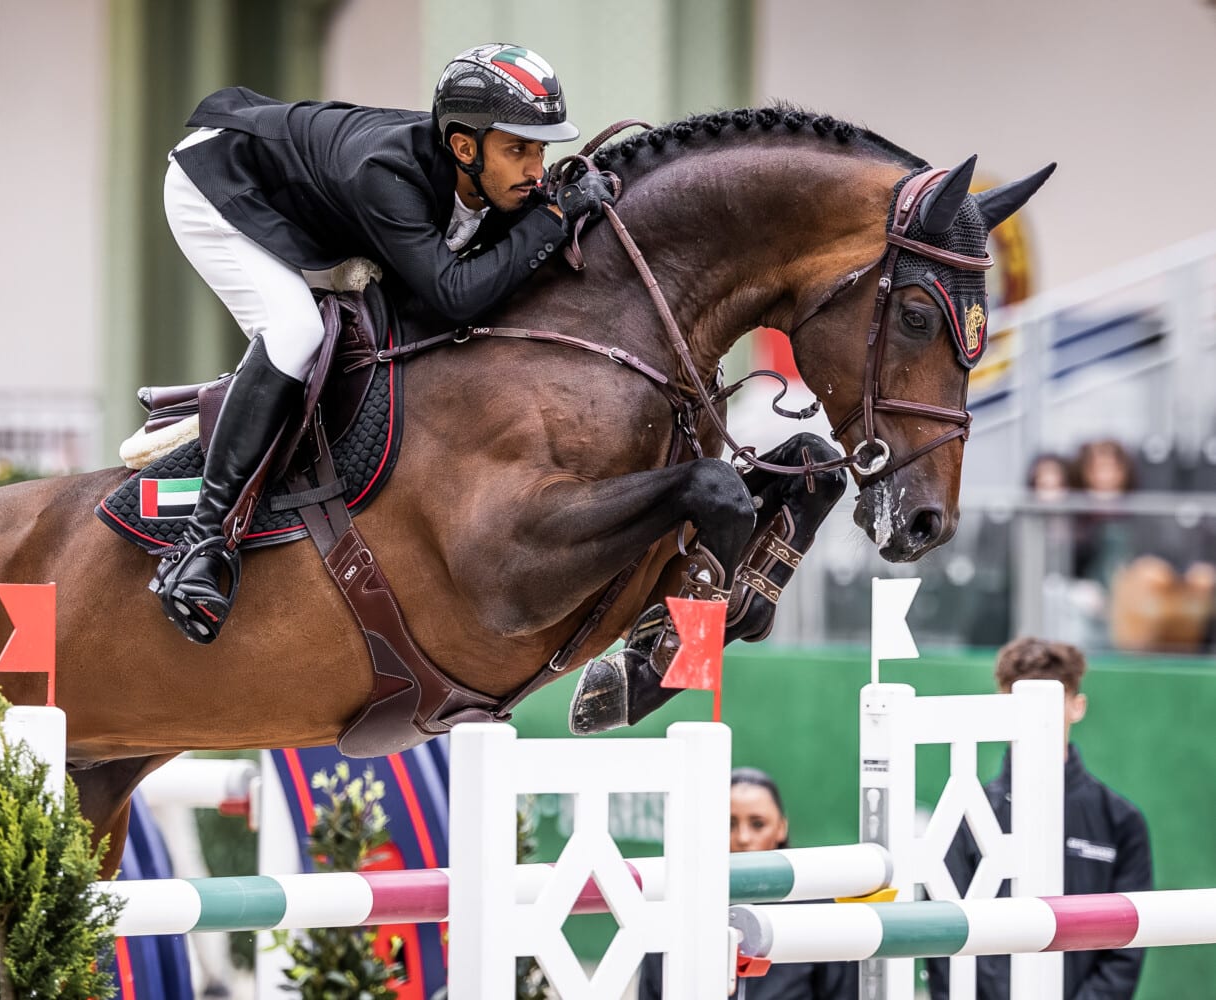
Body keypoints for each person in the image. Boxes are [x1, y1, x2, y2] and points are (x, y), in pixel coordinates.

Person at [147, 43, 614, 643]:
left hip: (306, 201)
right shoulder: (385, 175)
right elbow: (456, 296)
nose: (535, 170)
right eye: (518, 149)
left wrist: (566, 207)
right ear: (464, 148)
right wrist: (551, 220)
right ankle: (201, 542)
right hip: (218, 186)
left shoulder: (477, 177)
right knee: (295, 332)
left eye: (541, 151)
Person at [923, 637, 1152, 999]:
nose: (1036, 717)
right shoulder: (961, 817)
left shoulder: (1121, 821)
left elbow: (1126, 947)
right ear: (1001, 706)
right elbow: (942, 935)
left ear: (1077, 706)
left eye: (1051, 701)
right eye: (1018, 701)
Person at [637, 768, 857, 999]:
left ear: (781, 827)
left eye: (758, 824)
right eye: (729, 824)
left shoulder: (817, 911)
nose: (743, 837)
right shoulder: (680, 907)